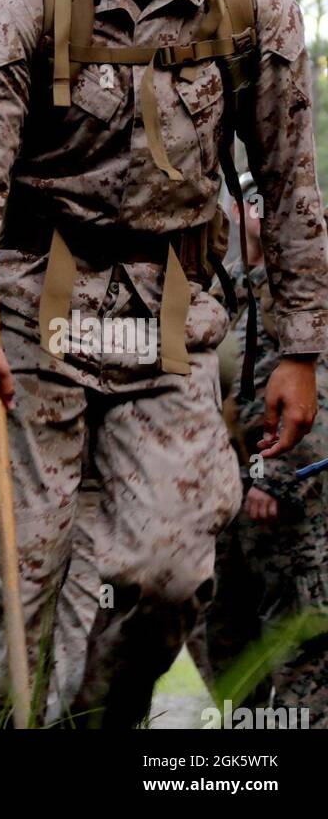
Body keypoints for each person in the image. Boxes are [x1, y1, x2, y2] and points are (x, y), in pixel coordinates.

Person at [0, 0, 328, 727]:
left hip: (170, 318)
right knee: (15, 580)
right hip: (28, 314)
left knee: (172, 574)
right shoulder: (17, 19)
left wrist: (299, 348)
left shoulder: (256, 17)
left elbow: (293, 189)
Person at [199, 182, 328, 723]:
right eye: (249, 201)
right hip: (227, 489)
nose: (258, 211)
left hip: (290, 484)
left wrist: (274, 473)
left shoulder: (304, 289)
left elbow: (316, 382)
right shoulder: (222, 289)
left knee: (299, 627)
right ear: (233, 210)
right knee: (222, 622)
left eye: (267, 202)